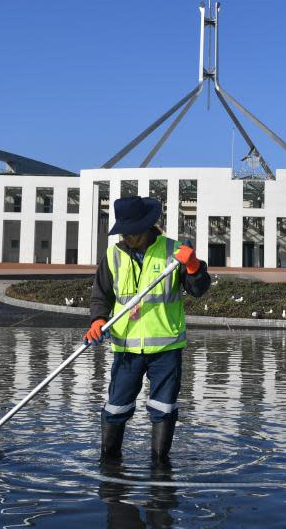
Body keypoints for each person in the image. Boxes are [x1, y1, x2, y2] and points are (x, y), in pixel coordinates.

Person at [85, 195, 211, 465]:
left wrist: (193, 266)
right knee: (116, 407)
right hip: (126, 348)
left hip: (166, 348)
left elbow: (199, 289)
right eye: (124, 232)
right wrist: (97, 320)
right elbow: (101, 295)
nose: (127, 237)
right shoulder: (114, 255)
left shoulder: (174, 252)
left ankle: (160, 468)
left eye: (132, 232)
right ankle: (109, 465)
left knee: (163, 409)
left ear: (146, 226)